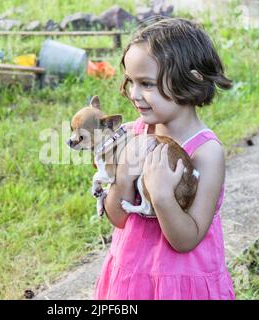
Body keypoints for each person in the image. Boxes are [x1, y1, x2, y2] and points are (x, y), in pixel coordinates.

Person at [94, 18, 235, 300]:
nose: (133, 94)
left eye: (146, 84)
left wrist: (162, 196)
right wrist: (123, 175)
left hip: (182, 285)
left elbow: (187, 239)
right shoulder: (134, 133)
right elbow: (118, 219)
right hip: (132, 279)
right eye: (130, 82)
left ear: (192, 79)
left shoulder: (205, 153)